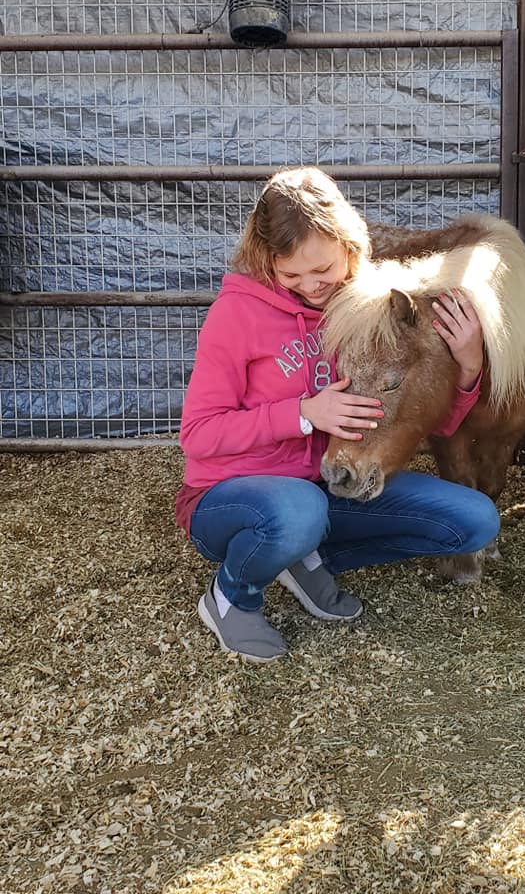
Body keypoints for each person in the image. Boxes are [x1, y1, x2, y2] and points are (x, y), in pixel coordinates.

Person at [176, 167, 500, 662]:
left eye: (323, 269)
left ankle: (303, 557)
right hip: (232, 498)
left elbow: (420, 420)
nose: (311, 286)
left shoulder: (357, 305)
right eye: (291, 275)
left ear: (350, 247)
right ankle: (231, 597)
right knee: (297, 511)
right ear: (267, 260)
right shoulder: (236, 314)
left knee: (473, 522)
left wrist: (470, 365)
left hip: (324, 484)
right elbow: (198, 436)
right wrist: (303, 413)